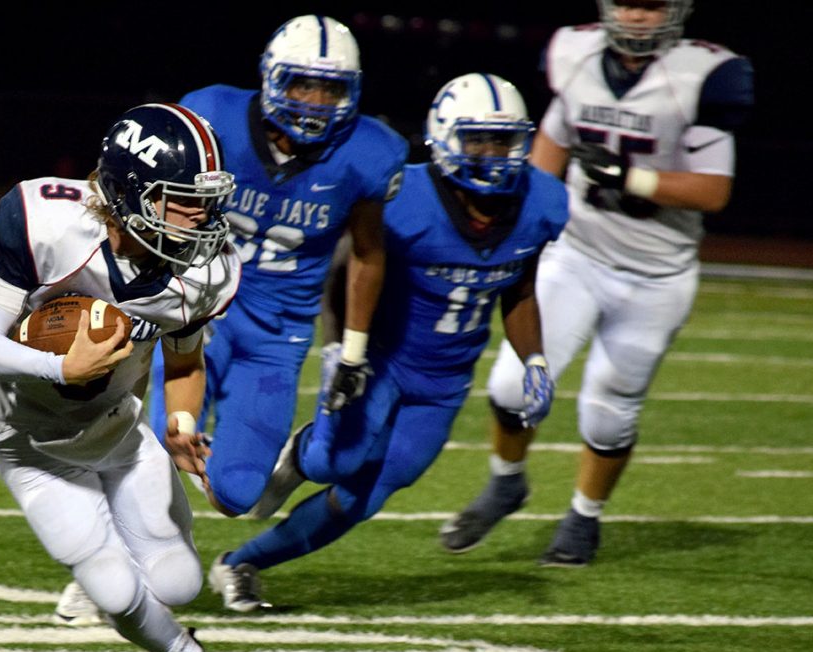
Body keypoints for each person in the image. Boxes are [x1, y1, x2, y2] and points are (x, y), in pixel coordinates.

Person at [206, 72, 569, 611]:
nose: (492, 154)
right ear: (444, 137)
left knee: (367, 494)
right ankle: (301, 454)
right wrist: (339, 352)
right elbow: (343, 275)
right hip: (381, 361)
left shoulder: (541, 201)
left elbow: (518, 288)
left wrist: (533, 358)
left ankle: (242, 564)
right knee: (335, 462)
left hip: (444, 381)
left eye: (503, 140)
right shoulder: (406, 194)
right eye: (476, 139)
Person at [0, 103, 242, 652]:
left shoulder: (202, 270)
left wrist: (182, 425)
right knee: (112, 587)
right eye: (184, 199)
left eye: (207, 199)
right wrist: (61, 367)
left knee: (179, 583)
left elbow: (186, 366)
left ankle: (155, 595)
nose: (204, 216)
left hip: (119, 433)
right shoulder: (47, 225)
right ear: (131, 193)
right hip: (28, 443)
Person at [440, 0, 755, 565]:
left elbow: (713, 190)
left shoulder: (704, 74)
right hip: (578, 254)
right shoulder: (574, 52)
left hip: (658, 272)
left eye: (652, 6)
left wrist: (630, 175)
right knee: (513, 387)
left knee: (608, 410)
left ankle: (584, 517)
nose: (638, 18)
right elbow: (552, 145)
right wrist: (522, 217)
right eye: (629, 4)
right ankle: (507, 481)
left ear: (676, 11)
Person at [146, 15, 408, 527]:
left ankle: (274, 460)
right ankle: (110, 563)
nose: (313, 101)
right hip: (196, 313)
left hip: (276, 336)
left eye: (329, 88)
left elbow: (367, 253)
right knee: (163, 439)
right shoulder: (212, 115)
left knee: (237, 495)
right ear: (270, 76)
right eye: (301, 83)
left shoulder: (369, 152)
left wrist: (350, 352)